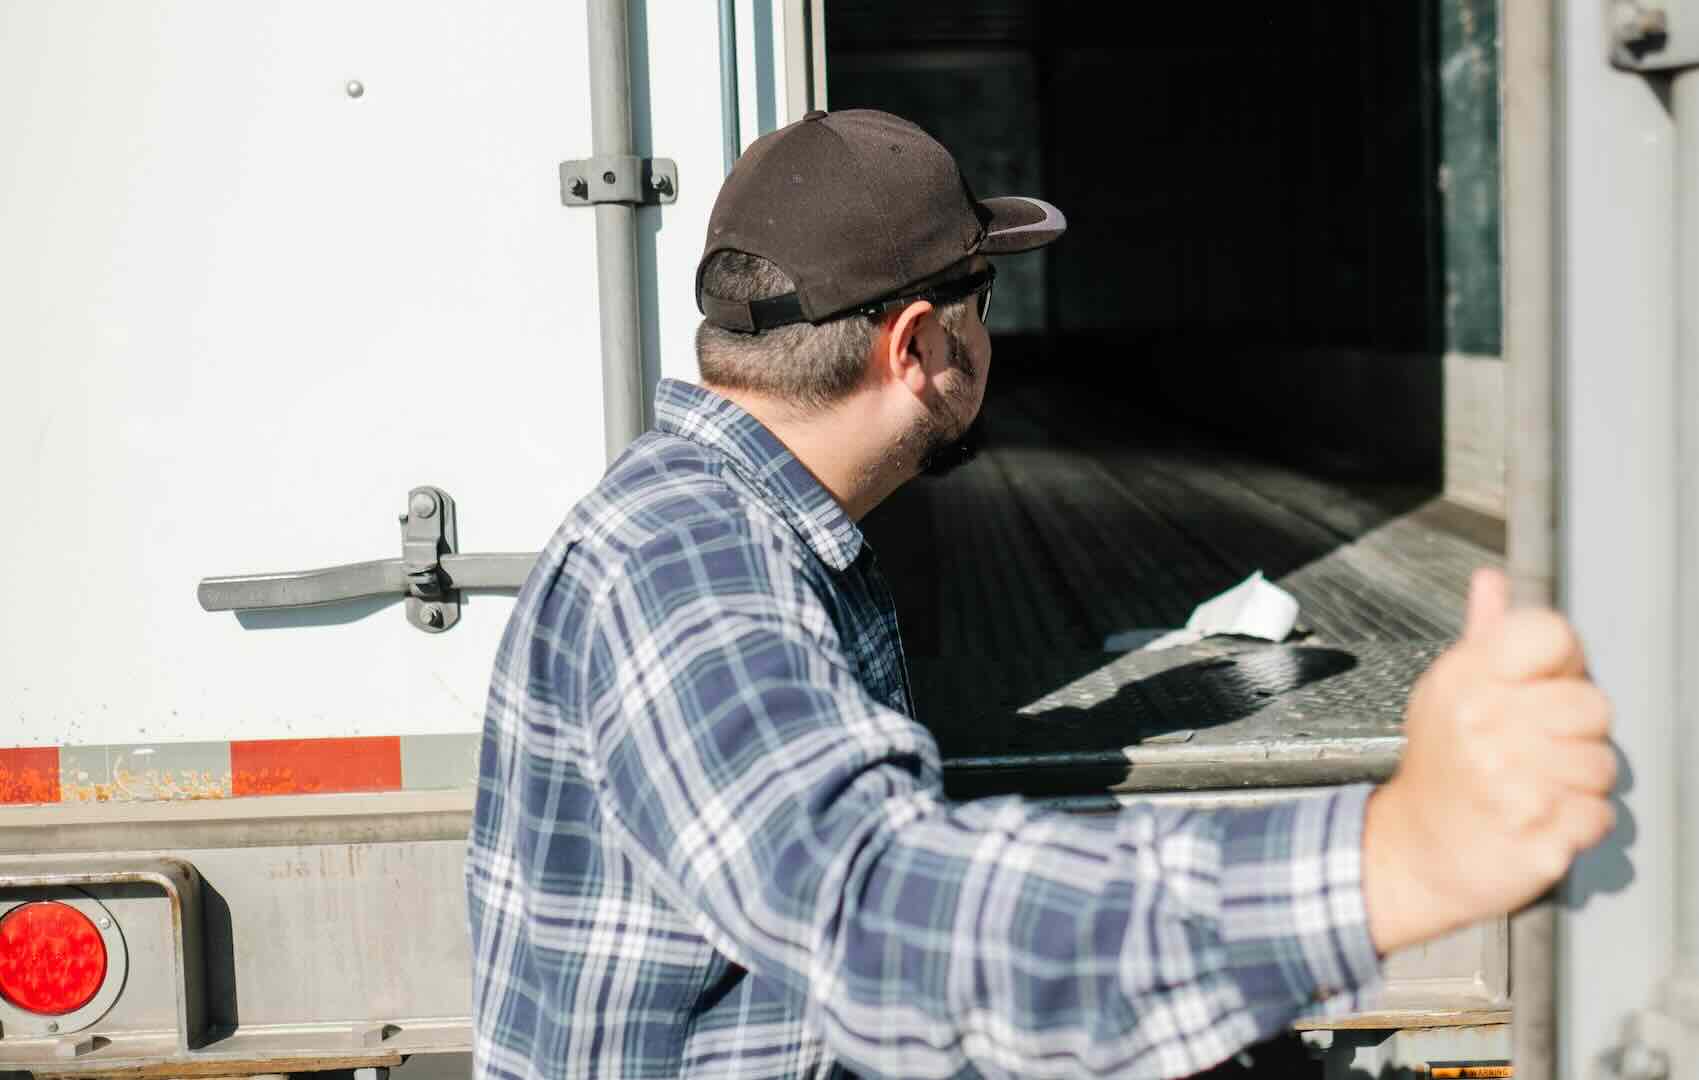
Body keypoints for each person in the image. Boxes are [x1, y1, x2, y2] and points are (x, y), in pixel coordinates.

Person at [465, 108, 1616, 1079]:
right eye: (985, 304)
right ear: (920, 346)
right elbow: (876, 913)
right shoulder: (690, 561)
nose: (992, 343)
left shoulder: (730, 517)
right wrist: (1405, 856)